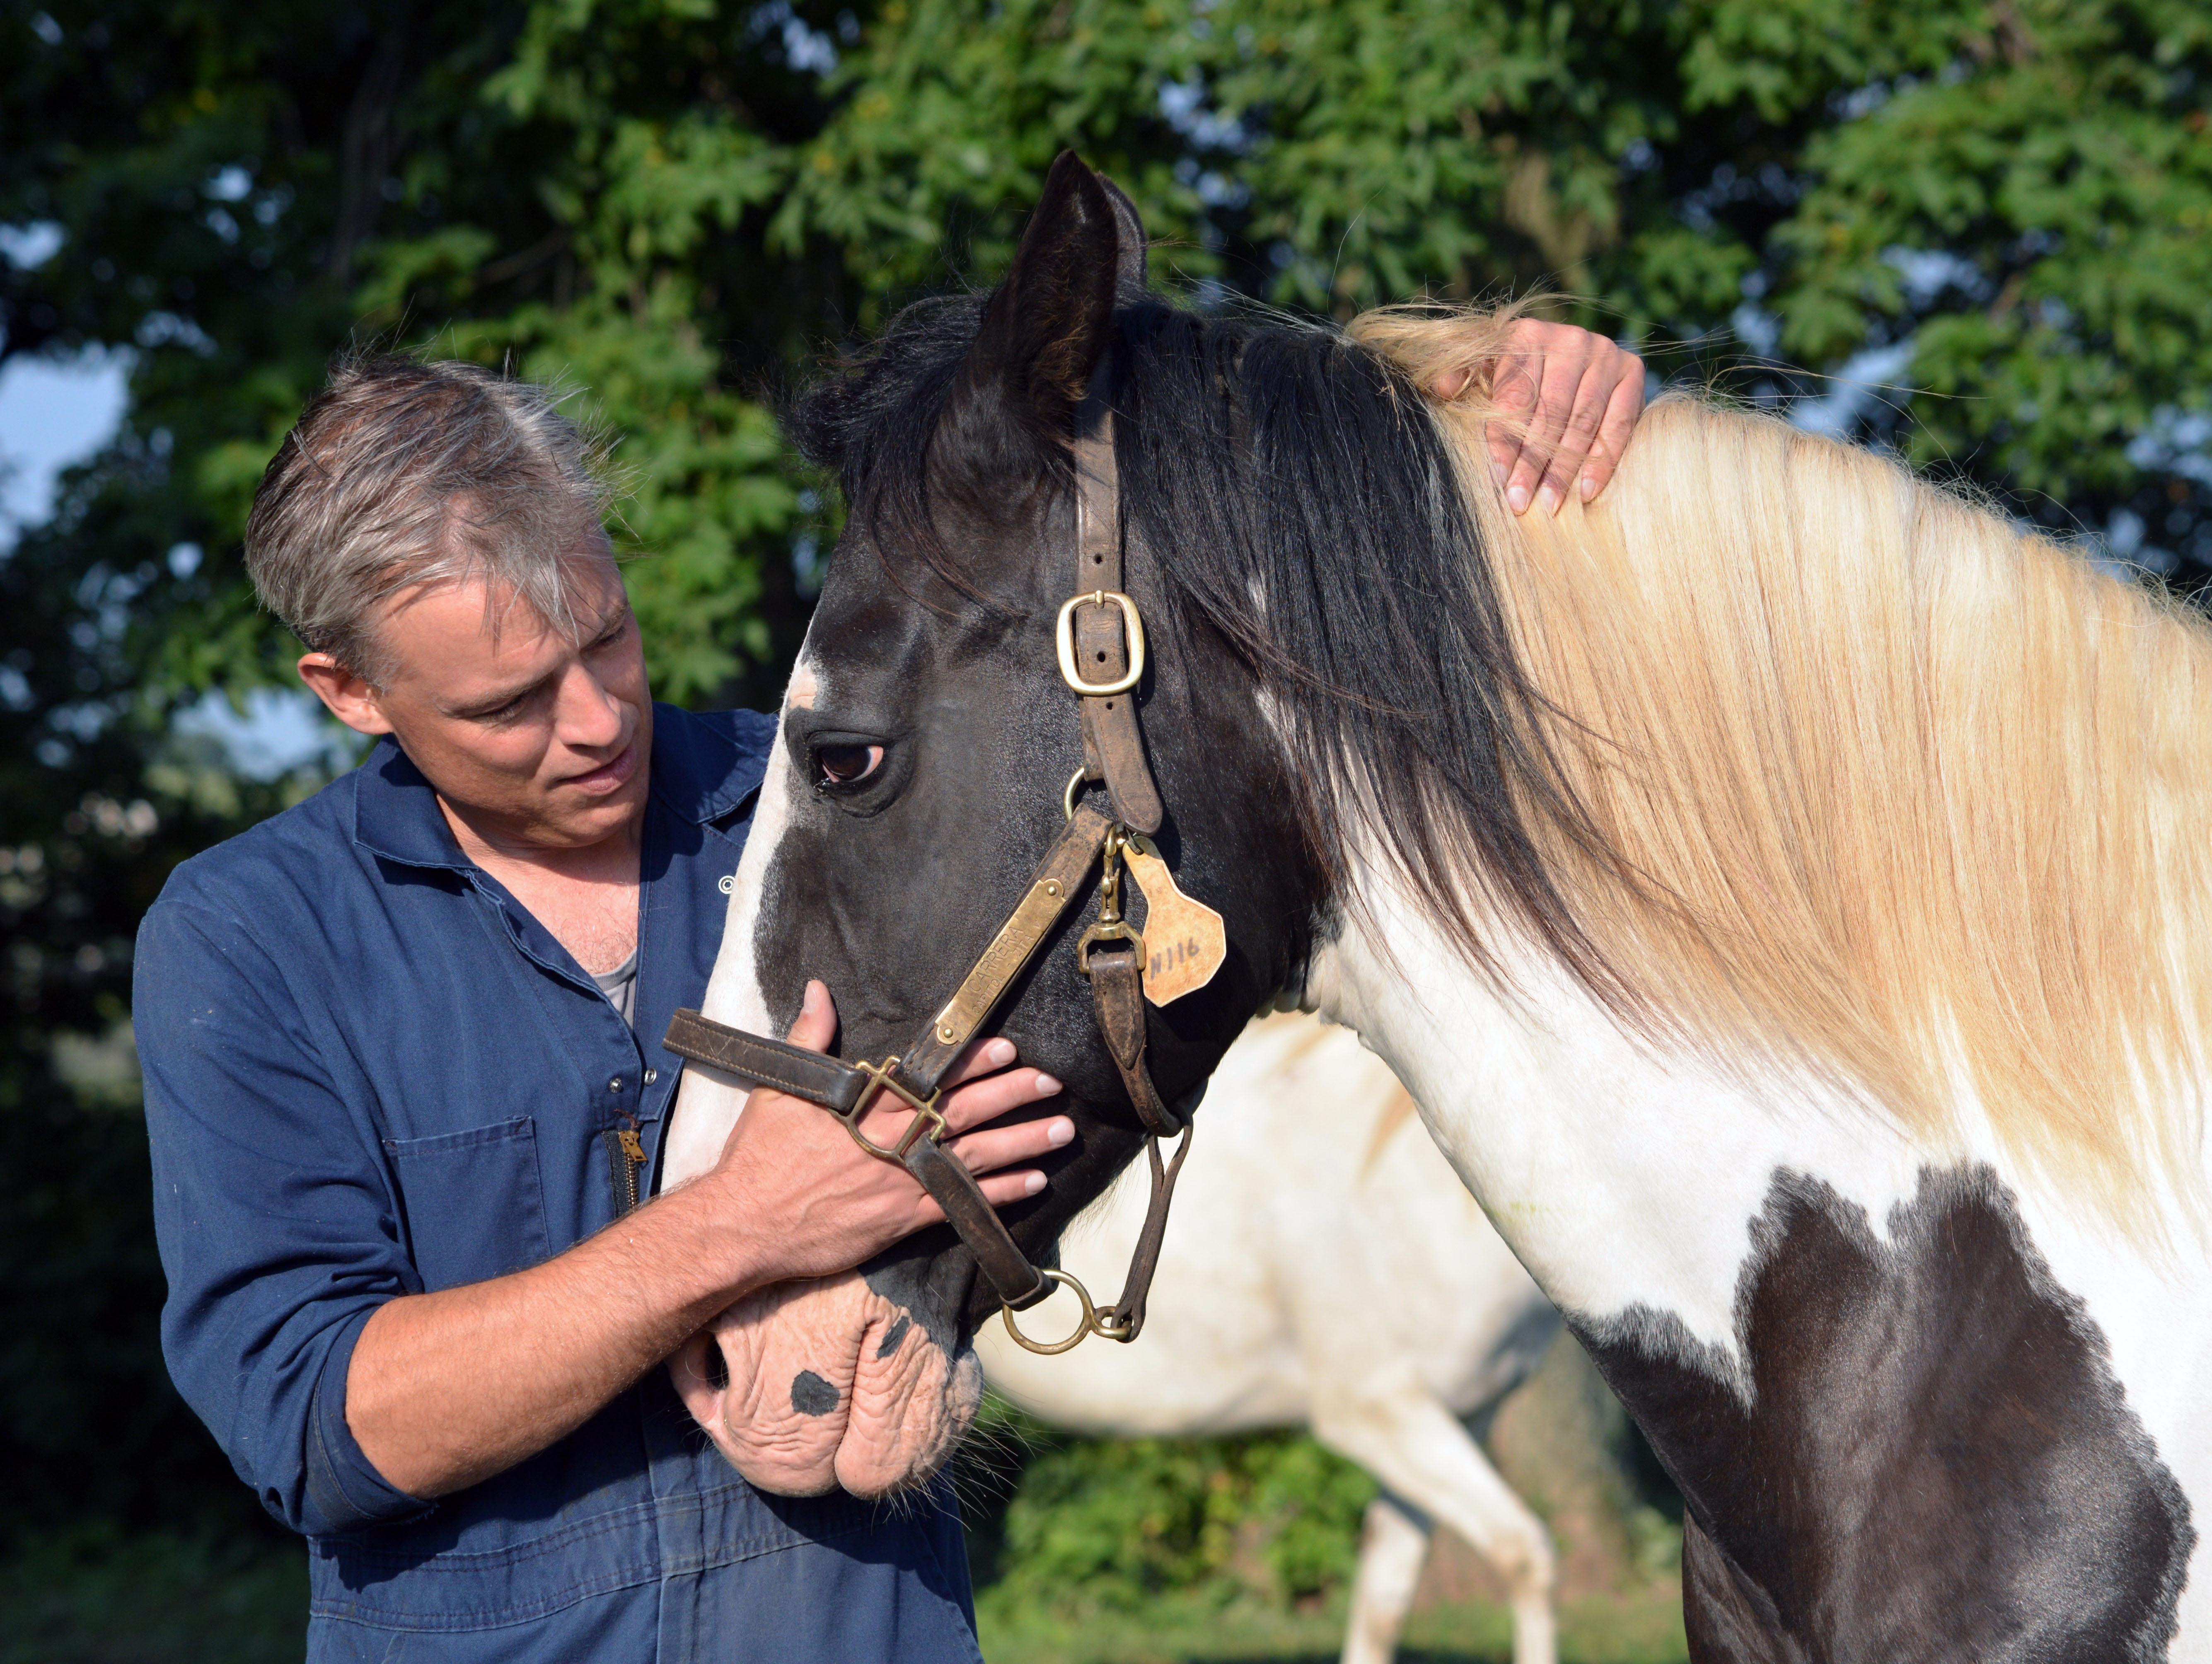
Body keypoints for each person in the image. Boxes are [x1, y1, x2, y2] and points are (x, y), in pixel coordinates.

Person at [133, 319, 1644, 1661]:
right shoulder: (251, 941)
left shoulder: (840, 795)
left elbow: (1222, 652)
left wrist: (1462, 396)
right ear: (349, 690)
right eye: (509, 702)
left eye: (609, 637)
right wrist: (741, 1226)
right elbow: (321, 1427)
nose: (596, 720)